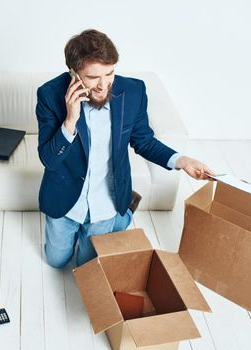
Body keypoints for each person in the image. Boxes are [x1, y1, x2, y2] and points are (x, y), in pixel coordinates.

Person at [36, 29, 215, 268]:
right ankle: (113, 220)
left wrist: (182, 161)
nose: (103, 85)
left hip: (105, 201)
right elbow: (49, 160)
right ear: (73, 73)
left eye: (109, 73)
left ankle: (122, 212)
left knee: (86, 266)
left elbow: (143, 140)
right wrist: (70, 120)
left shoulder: (133, 91)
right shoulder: (49, 95)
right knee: (56, 262)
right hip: (66, 200)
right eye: (92, 77)